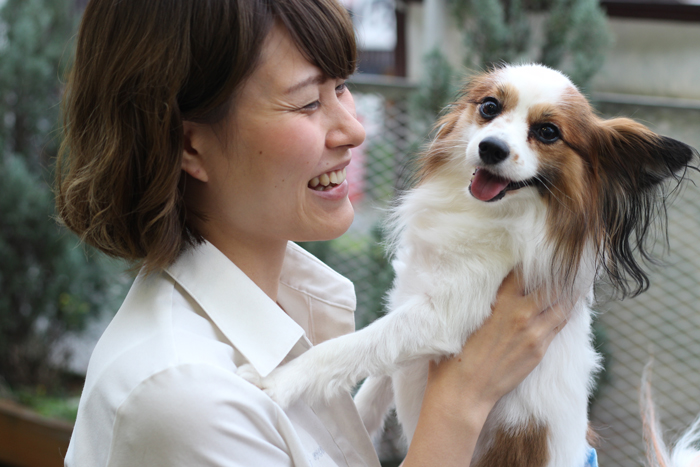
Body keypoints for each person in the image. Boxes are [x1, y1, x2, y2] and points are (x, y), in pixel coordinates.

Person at [55, 0, 570, 465]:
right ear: (191, 147)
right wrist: (462, 399)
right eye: (307, 102)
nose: (355, 129)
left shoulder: (297, 308)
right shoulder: (184, 400)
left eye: (341, 86)